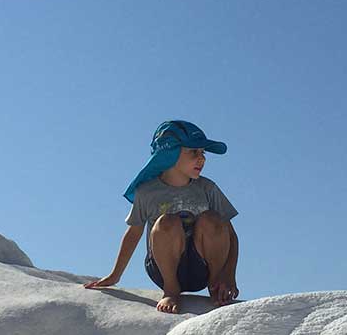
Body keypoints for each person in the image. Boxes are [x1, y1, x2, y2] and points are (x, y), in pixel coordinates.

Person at [83, 120, 240, 313]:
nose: (202, 159)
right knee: (167, 222)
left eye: (203, 153)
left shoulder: (207, 188)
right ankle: (171, 289)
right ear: (169, 153)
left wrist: (228, 274)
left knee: (213, 220)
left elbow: (230, 235)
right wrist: (115, 275)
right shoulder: (147, 192)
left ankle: (216, 285)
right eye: (193, 152)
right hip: (163, 268)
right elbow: (134, 233)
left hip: (202, 267)